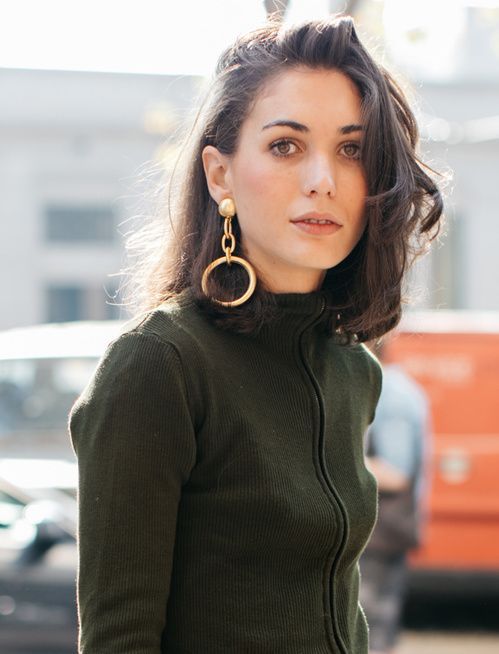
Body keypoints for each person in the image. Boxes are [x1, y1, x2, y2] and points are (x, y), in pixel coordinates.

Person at [68, 15, 443, 654]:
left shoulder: (354, 370)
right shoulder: (160, 365)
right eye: (285, 146)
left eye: (352, 149)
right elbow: (118, 639)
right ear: (220, 176)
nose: (323, 178)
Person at [360, 341, 432, 654]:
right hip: (386, 531)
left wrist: (338, 460)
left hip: (380, 532)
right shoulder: (398, 389)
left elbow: (395, 473)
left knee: (370, 631)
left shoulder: (389, 393)